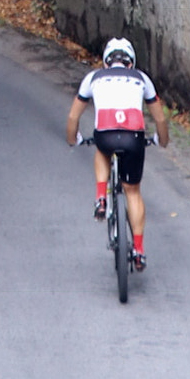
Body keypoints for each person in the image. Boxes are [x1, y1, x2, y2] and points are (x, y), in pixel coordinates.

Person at [65, 37, 169, 271]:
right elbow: (160, 118)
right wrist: (162, 140)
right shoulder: (142, 79)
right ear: (130, 62)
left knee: (102, 149)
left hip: (106, 134)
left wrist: (73, 139)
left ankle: (101, 196)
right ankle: (139, 251)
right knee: (133, 192)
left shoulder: (93, 77)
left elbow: (73, 117)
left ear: (106, 62)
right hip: (134, 138)